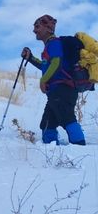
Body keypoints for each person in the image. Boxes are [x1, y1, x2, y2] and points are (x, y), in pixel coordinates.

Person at [21, 14, 86, 145]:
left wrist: (43, 80)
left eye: (37, 26)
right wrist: (30, 58)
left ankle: (80, 146)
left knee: (67, 117)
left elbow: (56, 62)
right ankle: (51, 148)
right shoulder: (49, 46)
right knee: (47, 122)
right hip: (57, 91)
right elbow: (46, 66)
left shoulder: (54, 43)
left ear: (48, 28)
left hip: (63, 88)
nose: (34, 30)